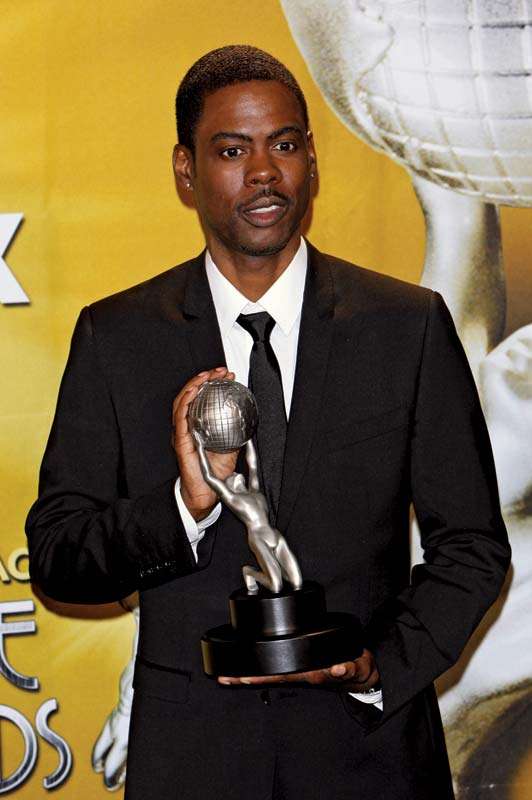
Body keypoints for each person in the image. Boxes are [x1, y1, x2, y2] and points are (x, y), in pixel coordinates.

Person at [26, 45, 511, 800]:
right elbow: (59, 556)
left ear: (311, 160)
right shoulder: (118, 338)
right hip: (194, 766)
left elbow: (474, 547)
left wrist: (380, 664)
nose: (262, 173)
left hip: (371, 761)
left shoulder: (404, 325)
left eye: (283, 145)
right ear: (185, 171)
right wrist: (185, 505)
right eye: (231, 151)